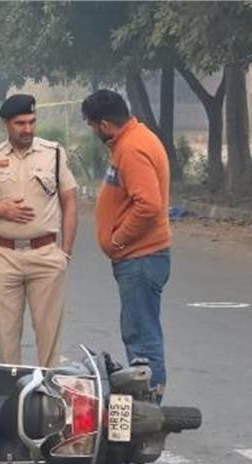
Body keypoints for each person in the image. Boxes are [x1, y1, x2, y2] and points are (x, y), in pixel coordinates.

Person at [0, 94, 78, 367]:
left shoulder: (53, 153)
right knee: (7, 337)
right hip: (5, 256)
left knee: (49, 338)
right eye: (20, 123)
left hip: (46, 255)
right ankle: (12, 389)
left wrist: (65, 253)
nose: (27, 129)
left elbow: (69, 202)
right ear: (6, 124)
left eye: (31, 122)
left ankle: (48, 390)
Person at [82, 89, 171, 401]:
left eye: (92, 125)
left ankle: (150, 406)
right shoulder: (132, 140)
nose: (93, 131)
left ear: (105, 124)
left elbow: (148, 205)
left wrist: (118, 239)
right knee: (140, 332)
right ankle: (148, 403)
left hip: (140, 258)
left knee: (142, 338)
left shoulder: (132, 148)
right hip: (139, 258)